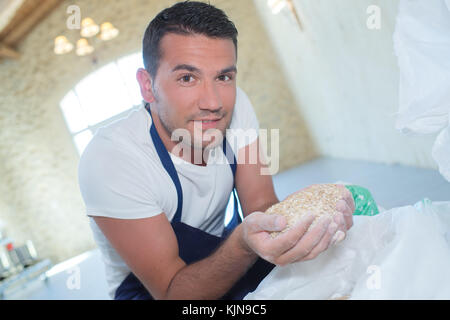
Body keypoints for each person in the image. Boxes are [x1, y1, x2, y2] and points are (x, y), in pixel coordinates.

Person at [78, 1, 355, 300]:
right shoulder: (112, 160)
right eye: (187, 78)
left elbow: (261, 203)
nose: (212, 102)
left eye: (223, 77)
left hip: (229, 250)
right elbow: (173, 293)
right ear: (147, 86)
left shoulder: (237, 106)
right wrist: (243, 244)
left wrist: (304, 219)